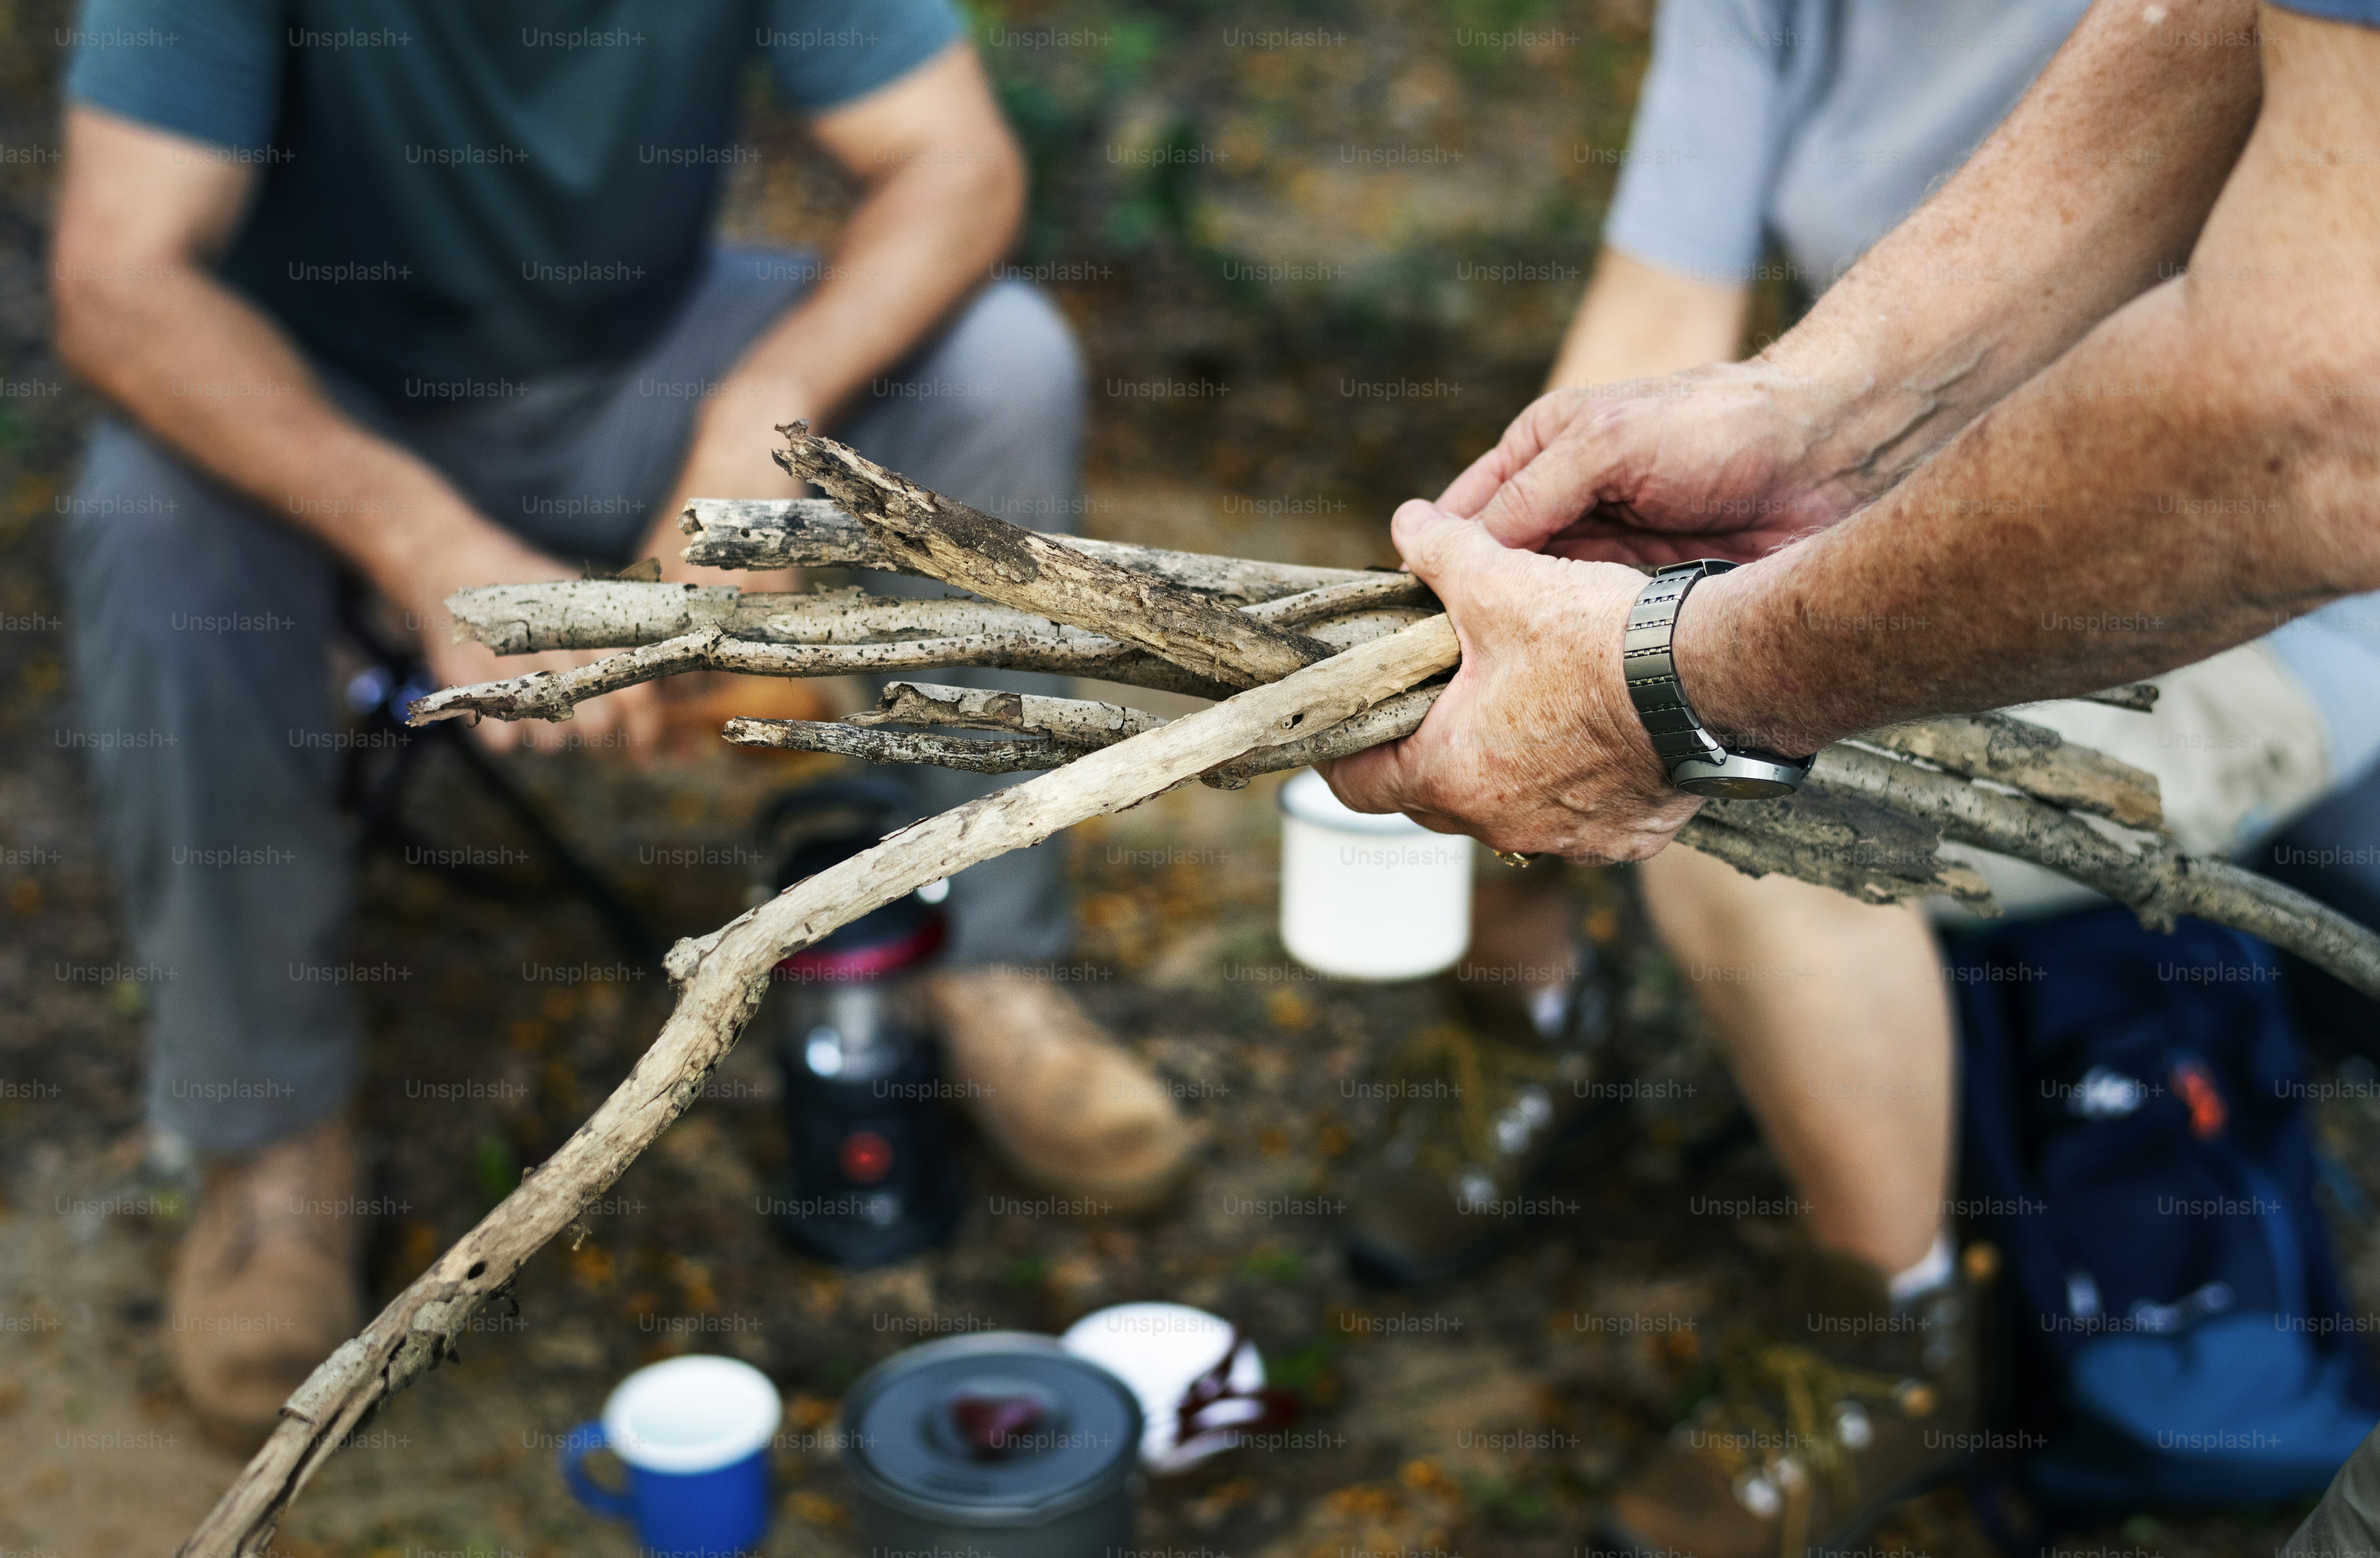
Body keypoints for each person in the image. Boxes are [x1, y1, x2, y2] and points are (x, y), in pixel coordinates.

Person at [51, 0, 1189, 1449]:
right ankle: (264, 1137)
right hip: (328, 400)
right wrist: (411, 533)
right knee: (150, 519)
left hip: (653, 359)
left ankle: (986, 963)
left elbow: (956, 162)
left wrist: (757, 421)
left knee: (1000, 367)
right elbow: (117, 277)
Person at [1320, 0, 2380, 1550]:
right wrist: (1737, 449)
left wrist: (1705, 680)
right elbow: (2207, 26)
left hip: (2270, 608)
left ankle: (1888, 1338)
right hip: (1928, 535)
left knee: (1748, 808)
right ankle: (1528, 1025)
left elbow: (2313, 418)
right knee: (1518, 642)